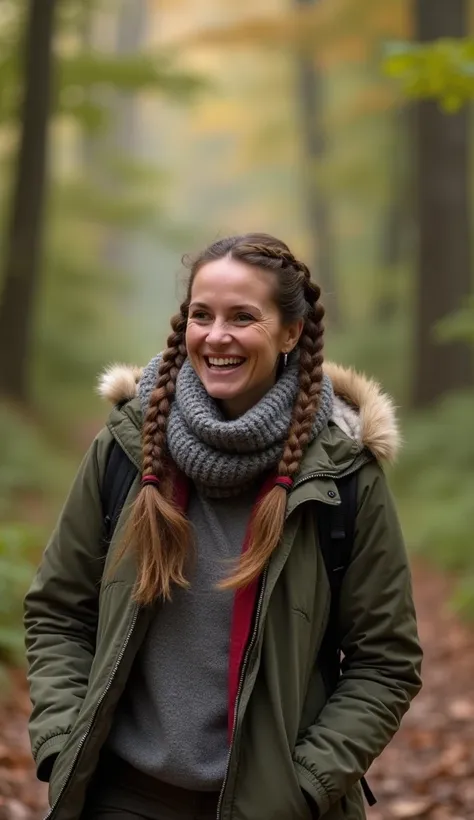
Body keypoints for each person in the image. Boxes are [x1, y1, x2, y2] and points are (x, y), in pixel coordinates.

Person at [24, 233, 422, 820]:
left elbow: (386, 662)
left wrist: (305, 786)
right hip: (123, 800)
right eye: (202, 315)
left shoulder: (344, 474)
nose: (217, 336)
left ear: (291, 332)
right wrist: (62, 744)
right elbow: (59, 612)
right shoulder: (126, 448)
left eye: (243, 317)